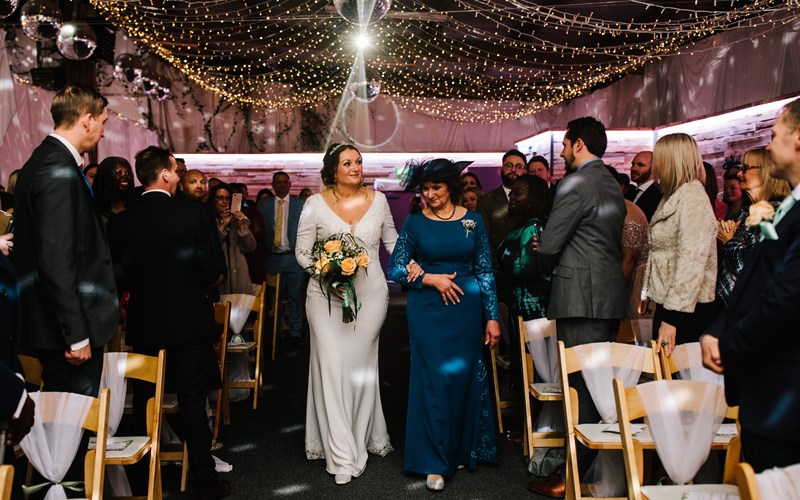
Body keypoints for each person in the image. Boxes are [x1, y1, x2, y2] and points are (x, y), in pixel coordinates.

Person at [108, 146, 230, 499]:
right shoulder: (193, 215)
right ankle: (205, 484)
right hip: (189, 321)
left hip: (145, 322)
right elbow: (211, 269)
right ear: (164, 174)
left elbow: (121, 276)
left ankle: (142, 482)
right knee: (193, 403)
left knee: (145, 401)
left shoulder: (121, 222)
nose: (178, 177)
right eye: (176, 172)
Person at [295, 143, 414, 486]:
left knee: (361, 369)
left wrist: (420, 266)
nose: (355, 167)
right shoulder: (314, 205)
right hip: (324, 299)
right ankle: (343, 454)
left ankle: (362, 434)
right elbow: (302, 251)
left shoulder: (377, 201)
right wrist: (324, 273)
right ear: (332, 169)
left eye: (359, 161)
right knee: (332, 366)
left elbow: (393, 242)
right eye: (347, 162)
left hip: (371, 296)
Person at [529, 117, 627, 497]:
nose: (564, 153)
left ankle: (575, 479)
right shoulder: (609, 183)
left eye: (567, 145)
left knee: (579, 390)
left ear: (579, 144)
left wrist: (543, 254)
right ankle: (590, 474)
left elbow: (551, 244)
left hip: (579, 297)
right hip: (606, 296)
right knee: (597, 385)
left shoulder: (575, 183)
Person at [388, 158, 500, 493]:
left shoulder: (474, 221)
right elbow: (395, 268)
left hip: (466, 310)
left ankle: (463, 450)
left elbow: (485, 270)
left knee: (463, 378)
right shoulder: (415, 223)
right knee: (434, 382)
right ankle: (434, 461)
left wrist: (492, 316)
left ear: (451, 186)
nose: (429, 194)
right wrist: (429, 277)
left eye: (435, 187)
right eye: (425, 188)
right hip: (427, 311)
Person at [701, 99, 800, 473]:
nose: (768, 144)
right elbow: (756, 280)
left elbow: (786, 298)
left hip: (786, 399)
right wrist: (717, 328)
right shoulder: (790, 205)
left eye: (774, 136)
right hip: (769, 393)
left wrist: (730, 346)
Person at [12, 84, 118, 396]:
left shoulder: (45, 159)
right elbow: (56, 259)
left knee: (65, 427)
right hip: (65, 332)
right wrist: (76, 335)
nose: (102, 133)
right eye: (103, 122)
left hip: (54, 325)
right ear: (87, 119)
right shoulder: (56, 167)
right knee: (72, 428)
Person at [640, 133, 716, 357]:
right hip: (672, 304)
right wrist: (648, 292)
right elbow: (661, 252)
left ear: (672, 161)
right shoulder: (675, 195)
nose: (655, 167)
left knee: (678, 382)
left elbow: (691, 263)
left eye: (660, 160)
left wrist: (671, 320)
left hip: (686, 311)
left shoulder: (693, 199)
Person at [716, 147, 790, 306]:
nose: (739, 174)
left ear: (766, 172)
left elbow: (751, 265)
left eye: (745, 168)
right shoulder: (746, 212)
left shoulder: (776, 213)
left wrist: (729, 241)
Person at [258, 171, 305, 349]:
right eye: (278, 182)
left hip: (293, 257)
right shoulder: (264, 205)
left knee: (295, 296)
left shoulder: (299, 205)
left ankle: (296, 333)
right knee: (273, 299)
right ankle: (276, 333)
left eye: (285, 182)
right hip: (272, 258)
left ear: (290, 184)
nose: (282, 185)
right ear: (273, 184)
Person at [477, 149, 526, 265]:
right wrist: (497, 267)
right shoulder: (486, 202)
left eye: (519, 166)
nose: (513, 170)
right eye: (509, 165)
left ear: (525, 171)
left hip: (528, 267)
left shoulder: (533, 199)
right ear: (501, 169)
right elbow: (485, 239)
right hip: (499, 269)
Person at [208, 183, 257, 295]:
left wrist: (242, 227)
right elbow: (211, 247)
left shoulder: (236, 220)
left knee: (241, 310)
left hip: (239, 276)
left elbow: (250, 247)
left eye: (227, 198)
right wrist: (222, 227)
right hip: (219, 277)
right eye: (220, 198)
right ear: (213, 200)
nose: (224, 201)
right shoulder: (208, 219)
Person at [93, 156, 135, 225]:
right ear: (106, 176)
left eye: (128, 173)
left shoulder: (135, 207)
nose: (125, 176)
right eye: (119, 173)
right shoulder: (95, 212)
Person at [626, 150, 662, 222]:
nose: (633, 168)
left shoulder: (658, 193)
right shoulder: (631, 192)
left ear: (653, 169)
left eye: (640, 165)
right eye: (633, 164)